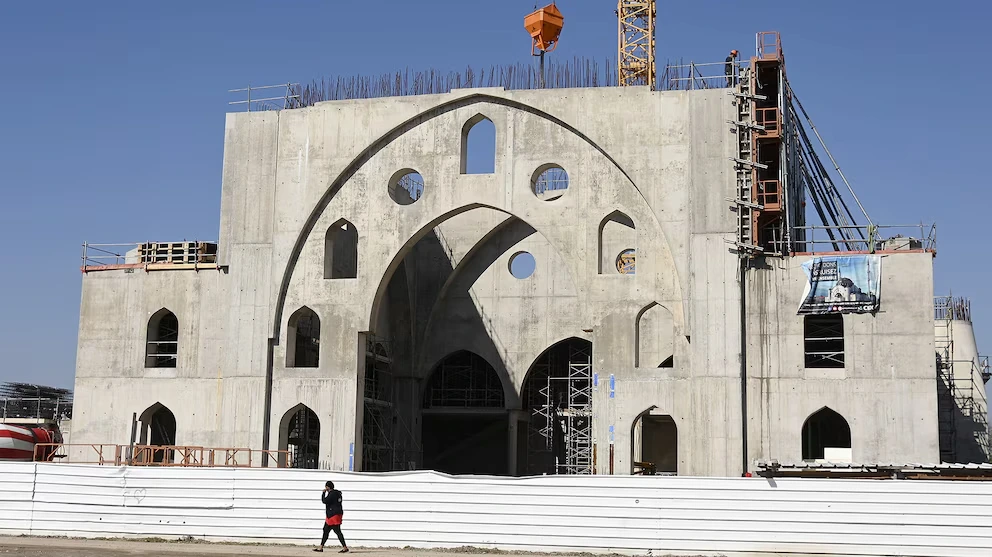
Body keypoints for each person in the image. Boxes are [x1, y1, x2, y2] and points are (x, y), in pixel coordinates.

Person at [315, 481, 349, 553]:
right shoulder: (338, 493)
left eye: (326, 487)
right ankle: (321, 547)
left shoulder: (332, 494)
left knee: (336, 531)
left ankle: (345, 547)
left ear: (328, 487)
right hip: (336, 514)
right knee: (326, 530)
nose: (325, 488)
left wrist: (323, 493)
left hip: (332, 516)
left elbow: (324, 501)